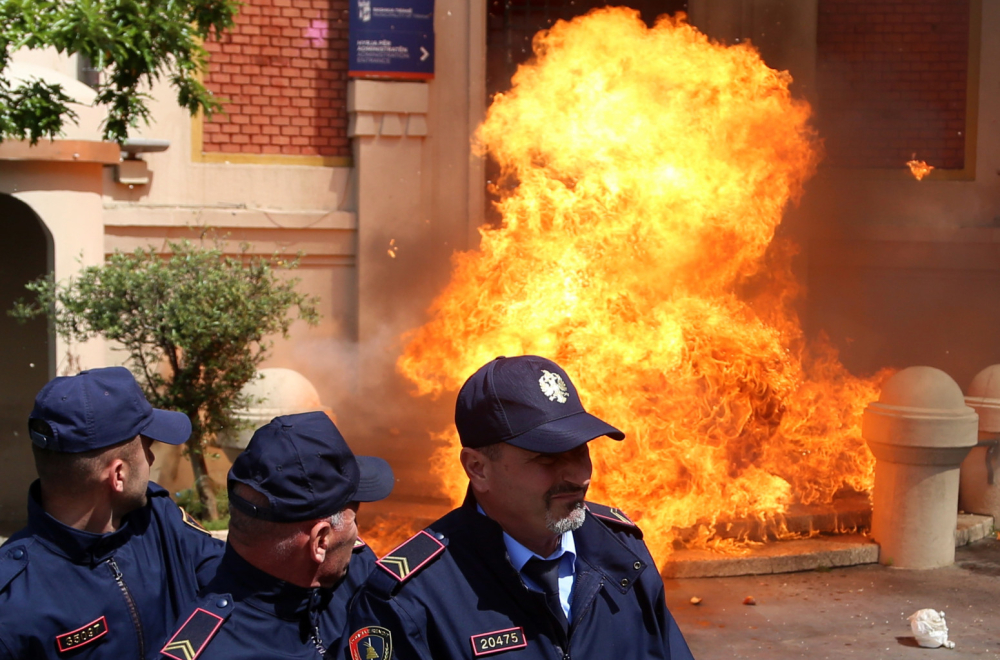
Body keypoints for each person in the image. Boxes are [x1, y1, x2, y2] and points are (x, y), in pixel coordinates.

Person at [346, 355, 695, 660]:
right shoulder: (411, 599)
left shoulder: (622, 553)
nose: (578, 477)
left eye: (580, 452)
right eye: (547, 458)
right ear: (477, 468)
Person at [0, 366, 225, 659]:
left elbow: (233, 582)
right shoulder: (13, 603)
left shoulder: (158, 518)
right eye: (147, 447)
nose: (152, 458)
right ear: (118, 475)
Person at [160, 411, 395, 659]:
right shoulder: (215, 650)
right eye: (354, 517)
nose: (357, 535)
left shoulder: (354, 570)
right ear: (321, 541)